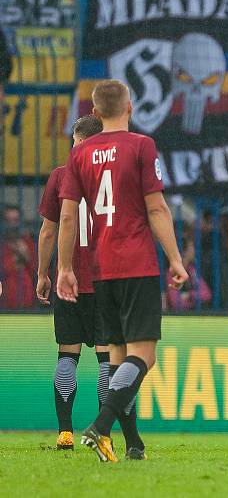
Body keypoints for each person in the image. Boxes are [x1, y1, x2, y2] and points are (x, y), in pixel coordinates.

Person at [56, 80, 188, 462]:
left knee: (117, 357)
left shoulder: (79, 155)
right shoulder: (142, 146)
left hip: (100, 269)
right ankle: (100, 426)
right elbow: (157, 209)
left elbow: (67, 217)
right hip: (137, 263)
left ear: (95, 113)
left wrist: (65, 268)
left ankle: (134, 445)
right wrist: (176, 259)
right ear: (130, 107)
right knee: (143, 357)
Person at [36, 114, 108, 451]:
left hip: (69, 281)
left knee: (68, 356)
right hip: (107, 282)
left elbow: (49, 230)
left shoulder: (61, 176)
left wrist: (42, 273)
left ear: (76, 141)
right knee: (109, 360)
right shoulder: (111, 176)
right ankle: (103, 430)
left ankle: (65, 431)